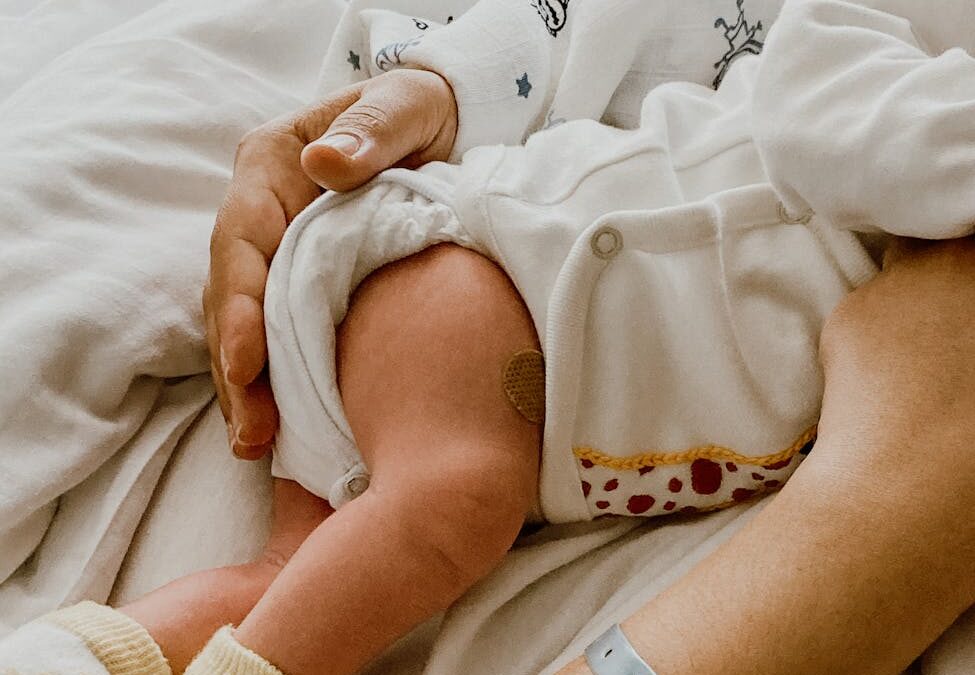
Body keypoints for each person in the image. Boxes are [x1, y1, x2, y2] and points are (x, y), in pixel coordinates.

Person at [3, 0, 975, 673]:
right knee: (452, 499)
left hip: (504, 334)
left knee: (290, 580)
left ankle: (70, 655)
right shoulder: (886, 65)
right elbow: (820, 92)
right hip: (483, 264)